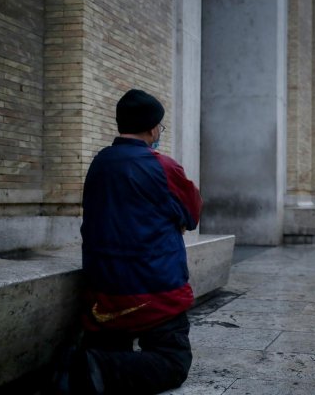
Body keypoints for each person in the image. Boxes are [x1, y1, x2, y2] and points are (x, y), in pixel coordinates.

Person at [50, 89, 202, 394]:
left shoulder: (100, 163)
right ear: (151, 128)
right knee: (172, 362)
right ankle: (90, 367)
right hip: (154, 292)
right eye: (160, 126)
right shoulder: (163, 166)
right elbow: (192, 213)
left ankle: (91, 359)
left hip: (102, 296)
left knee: (115, 349)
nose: (160, 132)